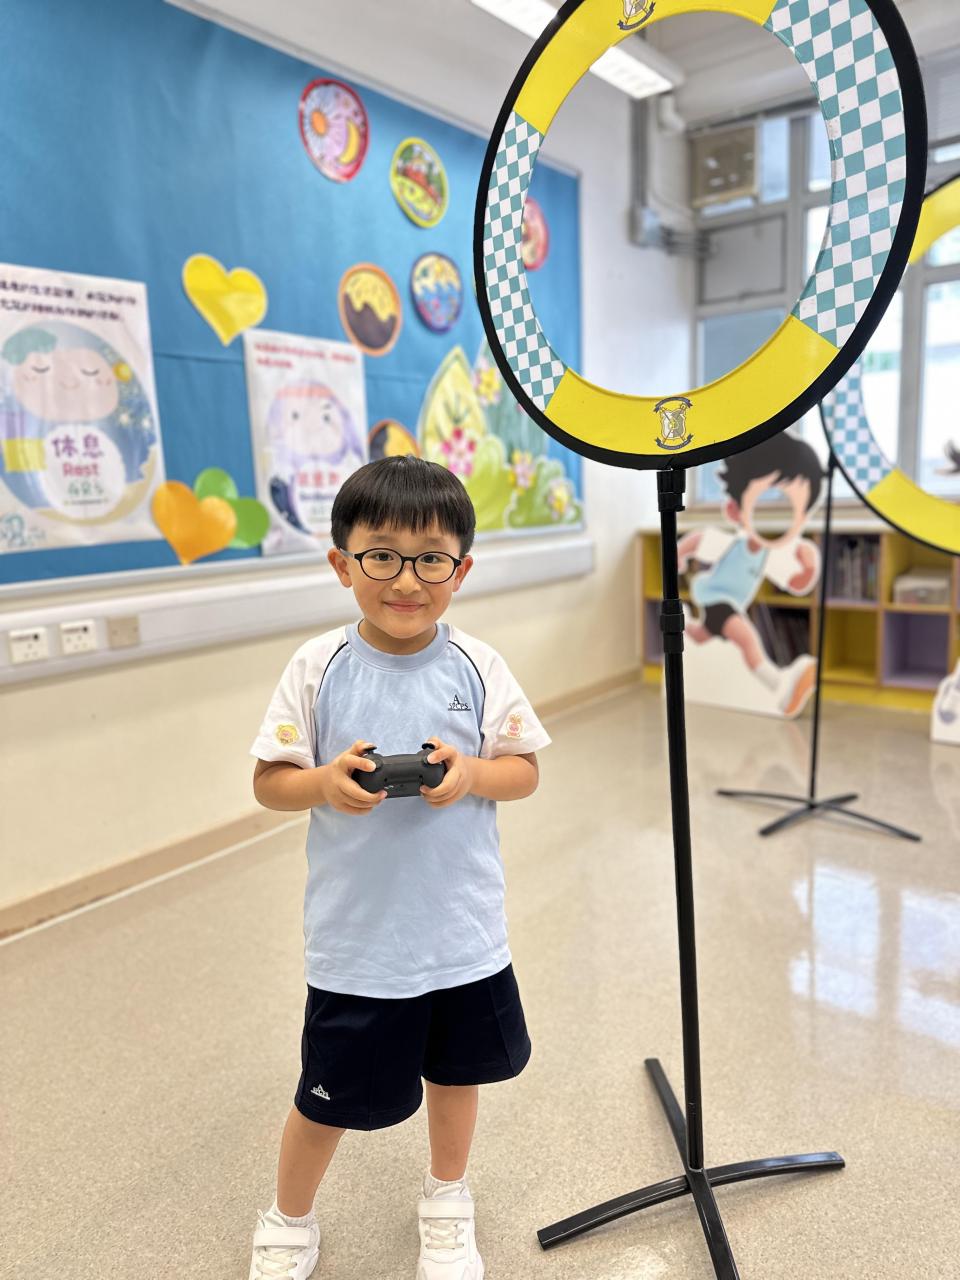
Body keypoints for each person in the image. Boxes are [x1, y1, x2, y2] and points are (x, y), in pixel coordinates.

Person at [247, 455, 551, 1279]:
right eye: (381, 555)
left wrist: (472, 774)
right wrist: (323, 783)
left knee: (458, 1076)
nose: (407, 580)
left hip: (461, 933)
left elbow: (523, 770)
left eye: (431, 559)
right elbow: (269, 783)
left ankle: (447, 1199)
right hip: (359, 944)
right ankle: (288, 1218)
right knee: (326, 1097)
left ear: (462, 570)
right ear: (342, 563)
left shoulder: (479, 665)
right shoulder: (317, 666)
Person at [677, 432, 824, 717]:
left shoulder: (771, 555)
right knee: (747, 640)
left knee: (702, 635)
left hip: (730, 604)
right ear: (735, 510)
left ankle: (684, 624)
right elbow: (698, 539)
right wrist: (678, 556)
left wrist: (809, 569)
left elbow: (796, 585)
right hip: (717, 599)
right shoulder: (734, 544)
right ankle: (778, 685)